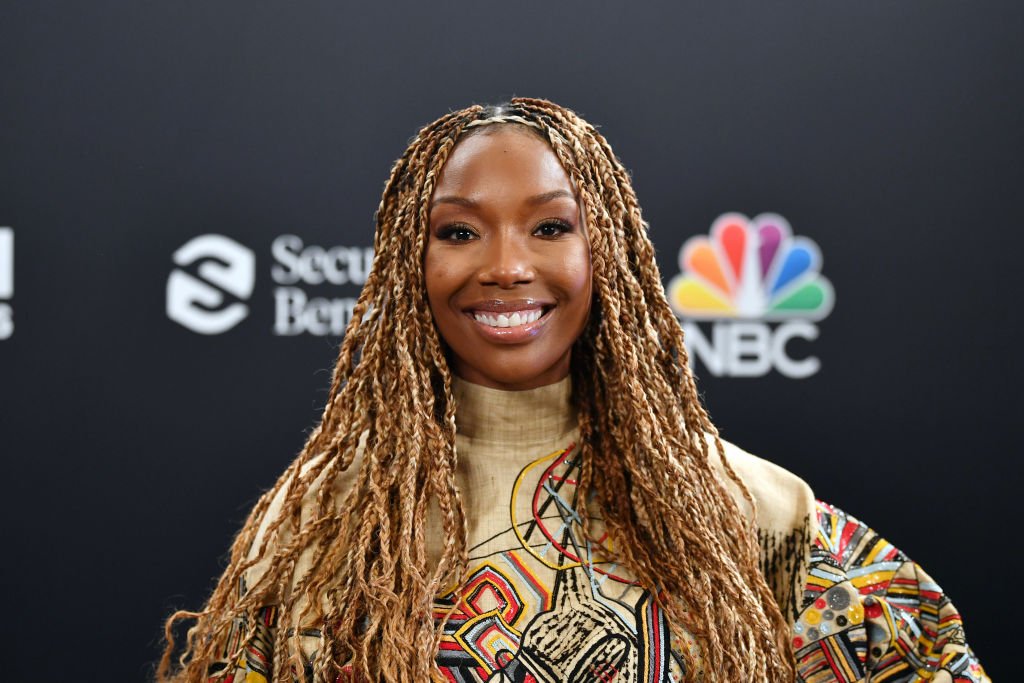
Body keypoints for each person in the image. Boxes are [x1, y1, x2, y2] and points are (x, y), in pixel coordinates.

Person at [157, 99, 988, 682]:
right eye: (458, 231)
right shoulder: (321, 524)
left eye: (551, 226)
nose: (507, 264)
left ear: (611, 257)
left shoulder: (751, 514)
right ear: (411, 266)